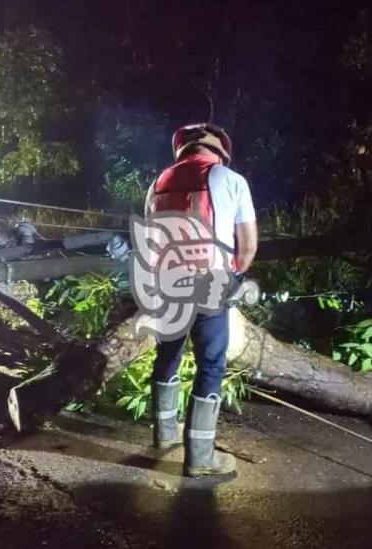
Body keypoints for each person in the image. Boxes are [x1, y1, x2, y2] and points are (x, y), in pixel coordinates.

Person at [145, 123, 257, 477]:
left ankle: (163, 436)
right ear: (219, 150)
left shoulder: (158, 181)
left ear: (181, 150)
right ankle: (200, 459)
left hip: (167, 282)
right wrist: (234, 276)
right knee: (210, 364)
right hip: (211, 281)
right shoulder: (231, 180)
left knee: (167, 355)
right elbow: (248, 245)